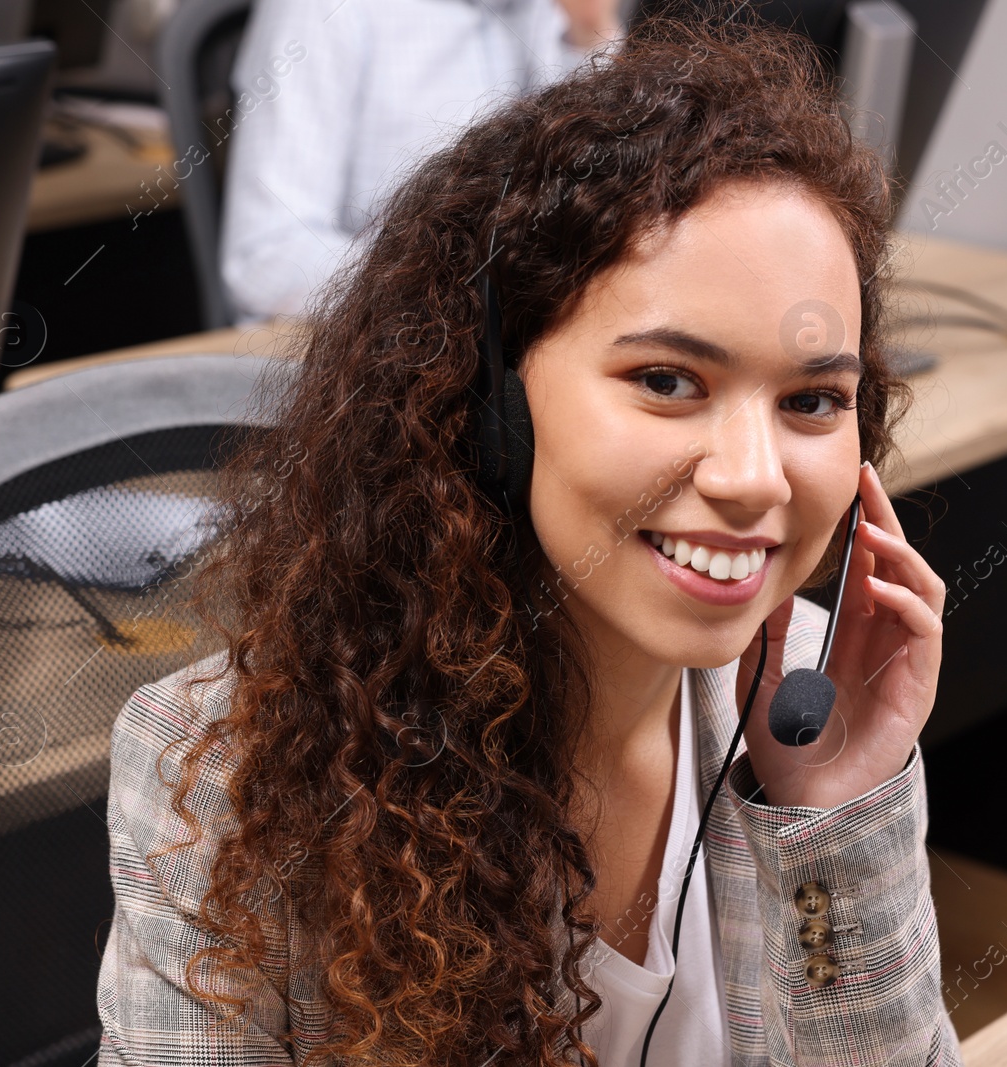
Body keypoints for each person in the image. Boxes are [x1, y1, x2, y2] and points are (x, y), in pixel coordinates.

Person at [98, 12, 962, 1066]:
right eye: (665, 380)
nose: (753, 477)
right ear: (492, 400)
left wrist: (833, 817)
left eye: (814, 400)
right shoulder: (229, 771)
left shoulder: (812, 703)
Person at [219, 0, 625, 323]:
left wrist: (587, 34)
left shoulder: (539, 10)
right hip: (368, 344)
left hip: (513, 329)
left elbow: (596, 188)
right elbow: (263, 258)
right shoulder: (322, 11)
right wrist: (456, 283)